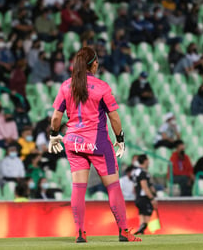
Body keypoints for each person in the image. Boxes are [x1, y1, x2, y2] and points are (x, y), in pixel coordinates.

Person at [48, 47, 141, 242]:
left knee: (78, 188)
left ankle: (80, 233)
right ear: (94, 64)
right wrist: (120, 138)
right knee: (113, 187)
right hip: (97, 142)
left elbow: (56, 116)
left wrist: (53, 135)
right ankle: (123, 232)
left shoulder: (66, 86)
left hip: (73, 142)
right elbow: (114, 118)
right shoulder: (101, 87)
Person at [132, 155, 156, 235]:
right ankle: (140, 231)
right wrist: (152, 198)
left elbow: (134, 187)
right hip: (144, 198)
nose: (149, 161)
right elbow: (144, 187)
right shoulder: (142, 172)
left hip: (138, 197)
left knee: (142, 215)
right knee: (147, 216)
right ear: (145, 161)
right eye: (148, 160)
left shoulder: (135, 171)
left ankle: (141, 234)